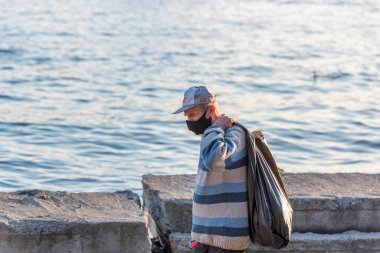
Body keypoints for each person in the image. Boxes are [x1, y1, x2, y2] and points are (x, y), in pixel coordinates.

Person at [173, 86, 250, 253]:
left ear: (211, 110)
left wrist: (217, 128)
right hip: (206, 235)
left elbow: (214, 161)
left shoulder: (235, 133)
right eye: (187, 117)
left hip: (225, 237)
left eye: (193, 115)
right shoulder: (214, 135)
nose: (190, 122)